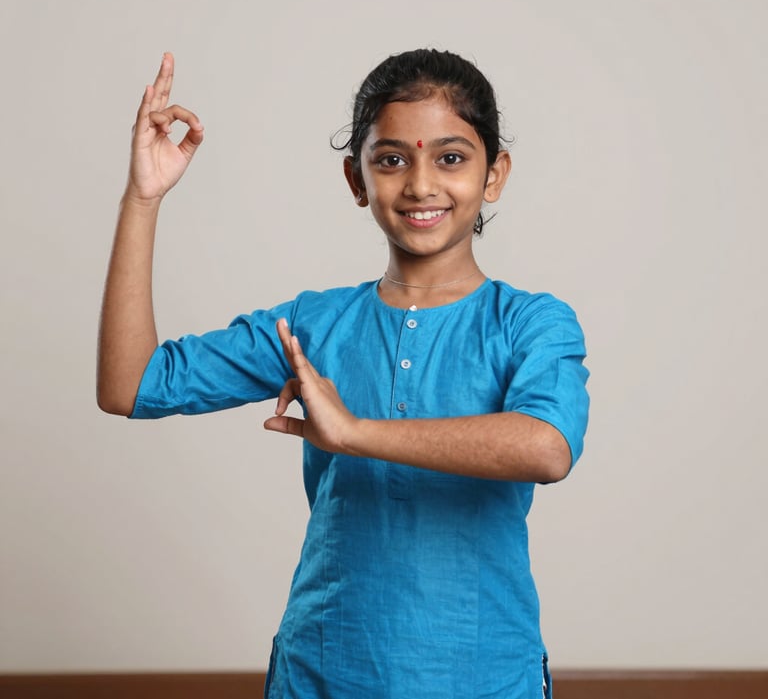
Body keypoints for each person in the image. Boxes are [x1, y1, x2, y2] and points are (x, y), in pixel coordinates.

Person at [97, 49, 590, 699]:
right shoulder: (312, 325)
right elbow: (131, 385)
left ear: (493, 173)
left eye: (450, 157)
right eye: (390, 159)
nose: (419, 184)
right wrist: (143, 197)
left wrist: (355, 432)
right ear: (356, 180)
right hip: (323, 673)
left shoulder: (531, 323)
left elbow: (546, 446)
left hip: (486, 675)